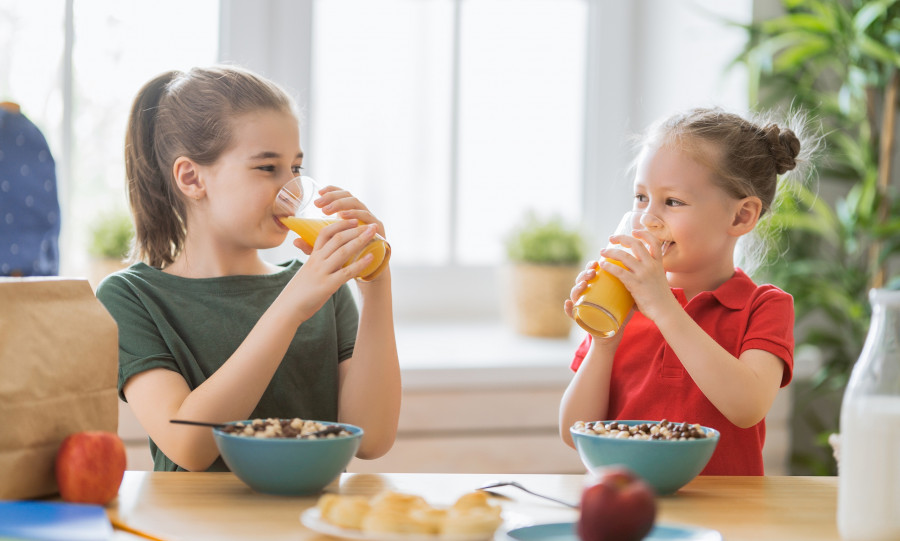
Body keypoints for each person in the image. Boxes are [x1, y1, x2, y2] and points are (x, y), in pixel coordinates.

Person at [97, 66, 400, 472]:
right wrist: (290, 307)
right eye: (266, 168)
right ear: (191, 178)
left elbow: (372, 438)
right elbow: (190, 445)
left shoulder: (321, 287)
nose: (289, 189)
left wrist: (375, 286)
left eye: (295, 168)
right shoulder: (130, 298)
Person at [559, 107, 811, 475]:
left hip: (730, 517)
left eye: (672, 202)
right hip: (630, 508)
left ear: (741, 216)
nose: (647, 218)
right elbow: (573, 431)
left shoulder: (765, 307)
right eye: (641, 197)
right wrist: (604, 341)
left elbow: (747, 406)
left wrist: (663, 306)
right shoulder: (625, 302)